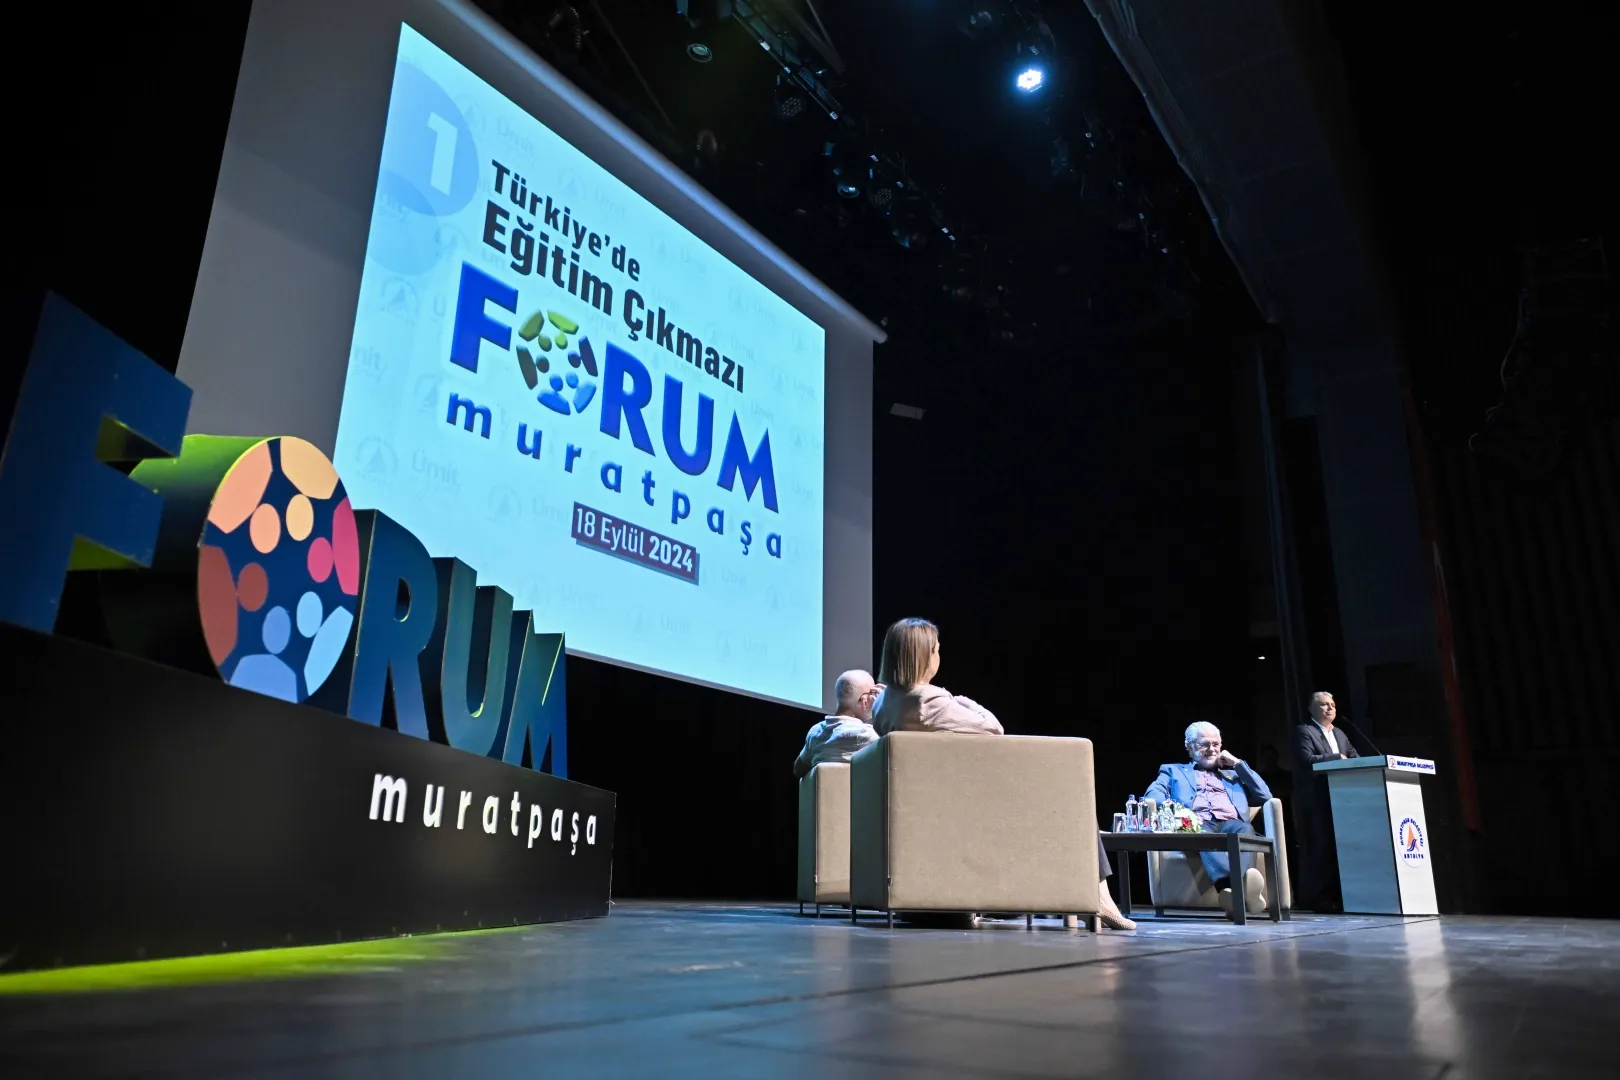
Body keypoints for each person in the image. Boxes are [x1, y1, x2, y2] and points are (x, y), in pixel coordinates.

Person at [874, 617, 1136, 930]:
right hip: (968, 807)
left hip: (931, 808)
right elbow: (993, 728)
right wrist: (961, 699)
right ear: (922, 656)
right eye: (936, 650)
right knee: (1073, 797)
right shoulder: (930, 702)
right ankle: (1098, 896)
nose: (938, 656)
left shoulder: (884, 704)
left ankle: (1086, 897)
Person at [1143, 721, 1273, 921]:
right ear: (1189, 746)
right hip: (1197, 823)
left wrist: (1238, 764)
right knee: (1201, 831)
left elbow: (1265, 796)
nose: (1212, 749)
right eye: (1205, 744)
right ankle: (1240, 891)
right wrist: (1180, 813)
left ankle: (1233, 897)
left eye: (1216, 744)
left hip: (1232, 823)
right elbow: (1153, 795)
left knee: (1245, 828)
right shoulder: (1173, 771)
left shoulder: (1233, 774)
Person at [1290, 690, 1358, 912]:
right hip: (1317, 800)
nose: (1330, 708)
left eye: (1333, 705)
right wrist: (1337, 758)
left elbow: (1354, 759)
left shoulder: (1340, 734)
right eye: (1324, 705)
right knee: (1321, 848)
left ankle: (1343, 896)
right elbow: (1307, 759)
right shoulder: (1305, 731)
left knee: (1340, 848)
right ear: (1311, 709)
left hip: (1342, 799)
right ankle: (1321, 899)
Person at [793, 670, 883, 779]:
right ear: (864, 702)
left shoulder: (815, 731)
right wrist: (884, 704)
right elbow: (894, 752)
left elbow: (798, 769)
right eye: (874, 694)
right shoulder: (866, 734)